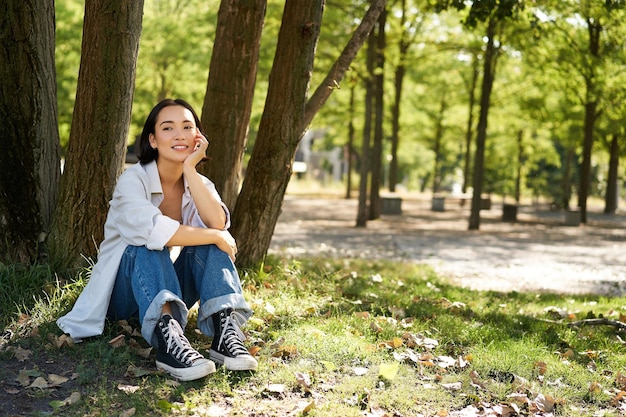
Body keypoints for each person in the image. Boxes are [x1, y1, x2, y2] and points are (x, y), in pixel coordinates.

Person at [57, 98, 257, 381]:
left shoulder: (198, 183)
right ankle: (169, 341)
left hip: (166, 287)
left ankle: (225, 331)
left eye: (187, 127)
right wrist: (215, 234)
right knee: (148, 244)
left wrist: (190, 169)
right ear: (152, 139)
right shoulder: (133, 181)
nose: (179, 135)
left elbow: (218, 224)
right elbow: (154, 232)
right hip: (125, 294)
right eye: (168, 128)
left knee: (212, 240)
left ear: (198, 137)